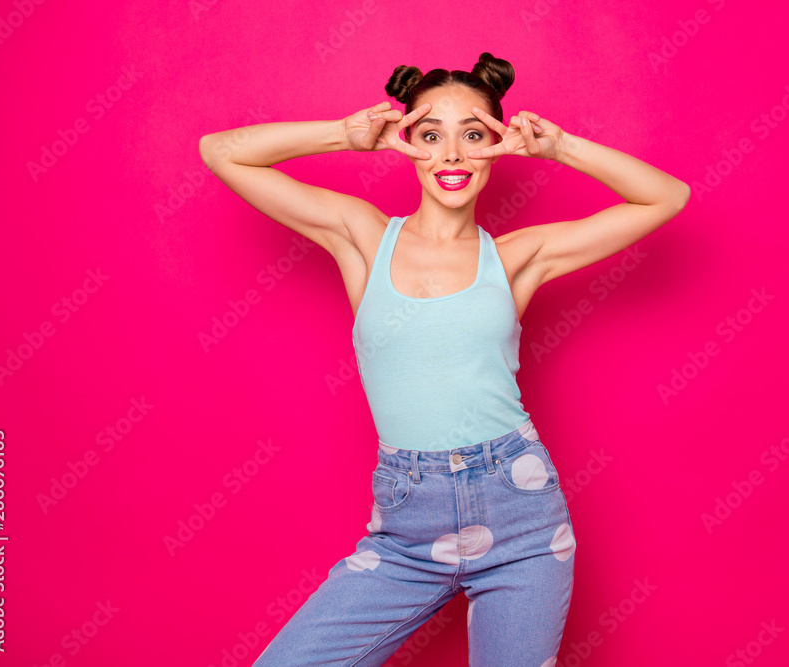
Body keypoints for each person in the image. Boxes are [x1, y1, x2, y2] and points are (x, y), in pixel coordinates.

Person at [199, 51, 689, 667]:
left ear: (498, 145)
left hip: (521, 517)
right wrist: (345, 137)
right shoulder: (363, 236)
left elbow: (666, 198)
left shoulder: (517, 256)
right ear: (406, 143)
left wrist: (559, 148)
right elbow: (221, 152)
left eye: (473, 136)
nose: (451, 156)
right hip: (407, 524)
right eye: (430, 136)